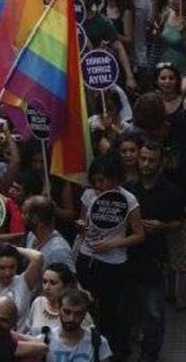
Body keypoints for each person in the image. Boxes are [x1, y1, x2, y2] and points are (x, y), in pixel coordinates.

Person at [74, 153, 144, 362]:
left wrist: (111, 244)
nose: (98, 185)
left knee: (109, 312)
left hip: (113, 264)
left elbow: (139, 235)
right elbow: (82, 223)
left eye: (102, 180)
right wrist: (80, 227)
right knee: (85, 306)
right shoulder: (89, 195)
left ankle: (111, 352)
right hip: (87, 258)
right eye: (94, 180)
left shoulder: (129, 200)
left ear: (115, 179)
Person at [124, 139, 183, 362]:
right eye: (143, 159)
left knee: (154, 311)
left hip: (155, 258)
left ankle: (150, 355)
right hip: (128, 256)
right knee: (127, 305)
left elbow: (178, 222)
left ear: (160, 163)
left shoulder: (171, 192)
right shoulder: (129, 189)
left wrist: (163, 226)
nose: (147, 164)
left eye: (152, 161)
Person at [40, 289, 112, 362]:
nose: (72, 318)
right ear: (59, 310)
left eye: (78, 313)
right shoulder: (45, 339)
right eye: (67, 312)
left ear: (84, 314)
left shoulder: (98, 342)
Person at [26, 264, 92, 335]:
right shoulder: (38, 302)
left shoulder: (76, 309)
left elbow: (89, 336)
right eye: (44, 282)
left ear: (66, 286)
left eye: (53, 283)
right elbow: (29, 329)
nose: (46, 287)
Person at [22, 196, 74, 272]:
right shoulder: (32, 236)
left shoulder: (58, 251)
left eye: (24, 213)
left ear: (35, 218)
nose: (21, 217)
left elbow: (67, 282)